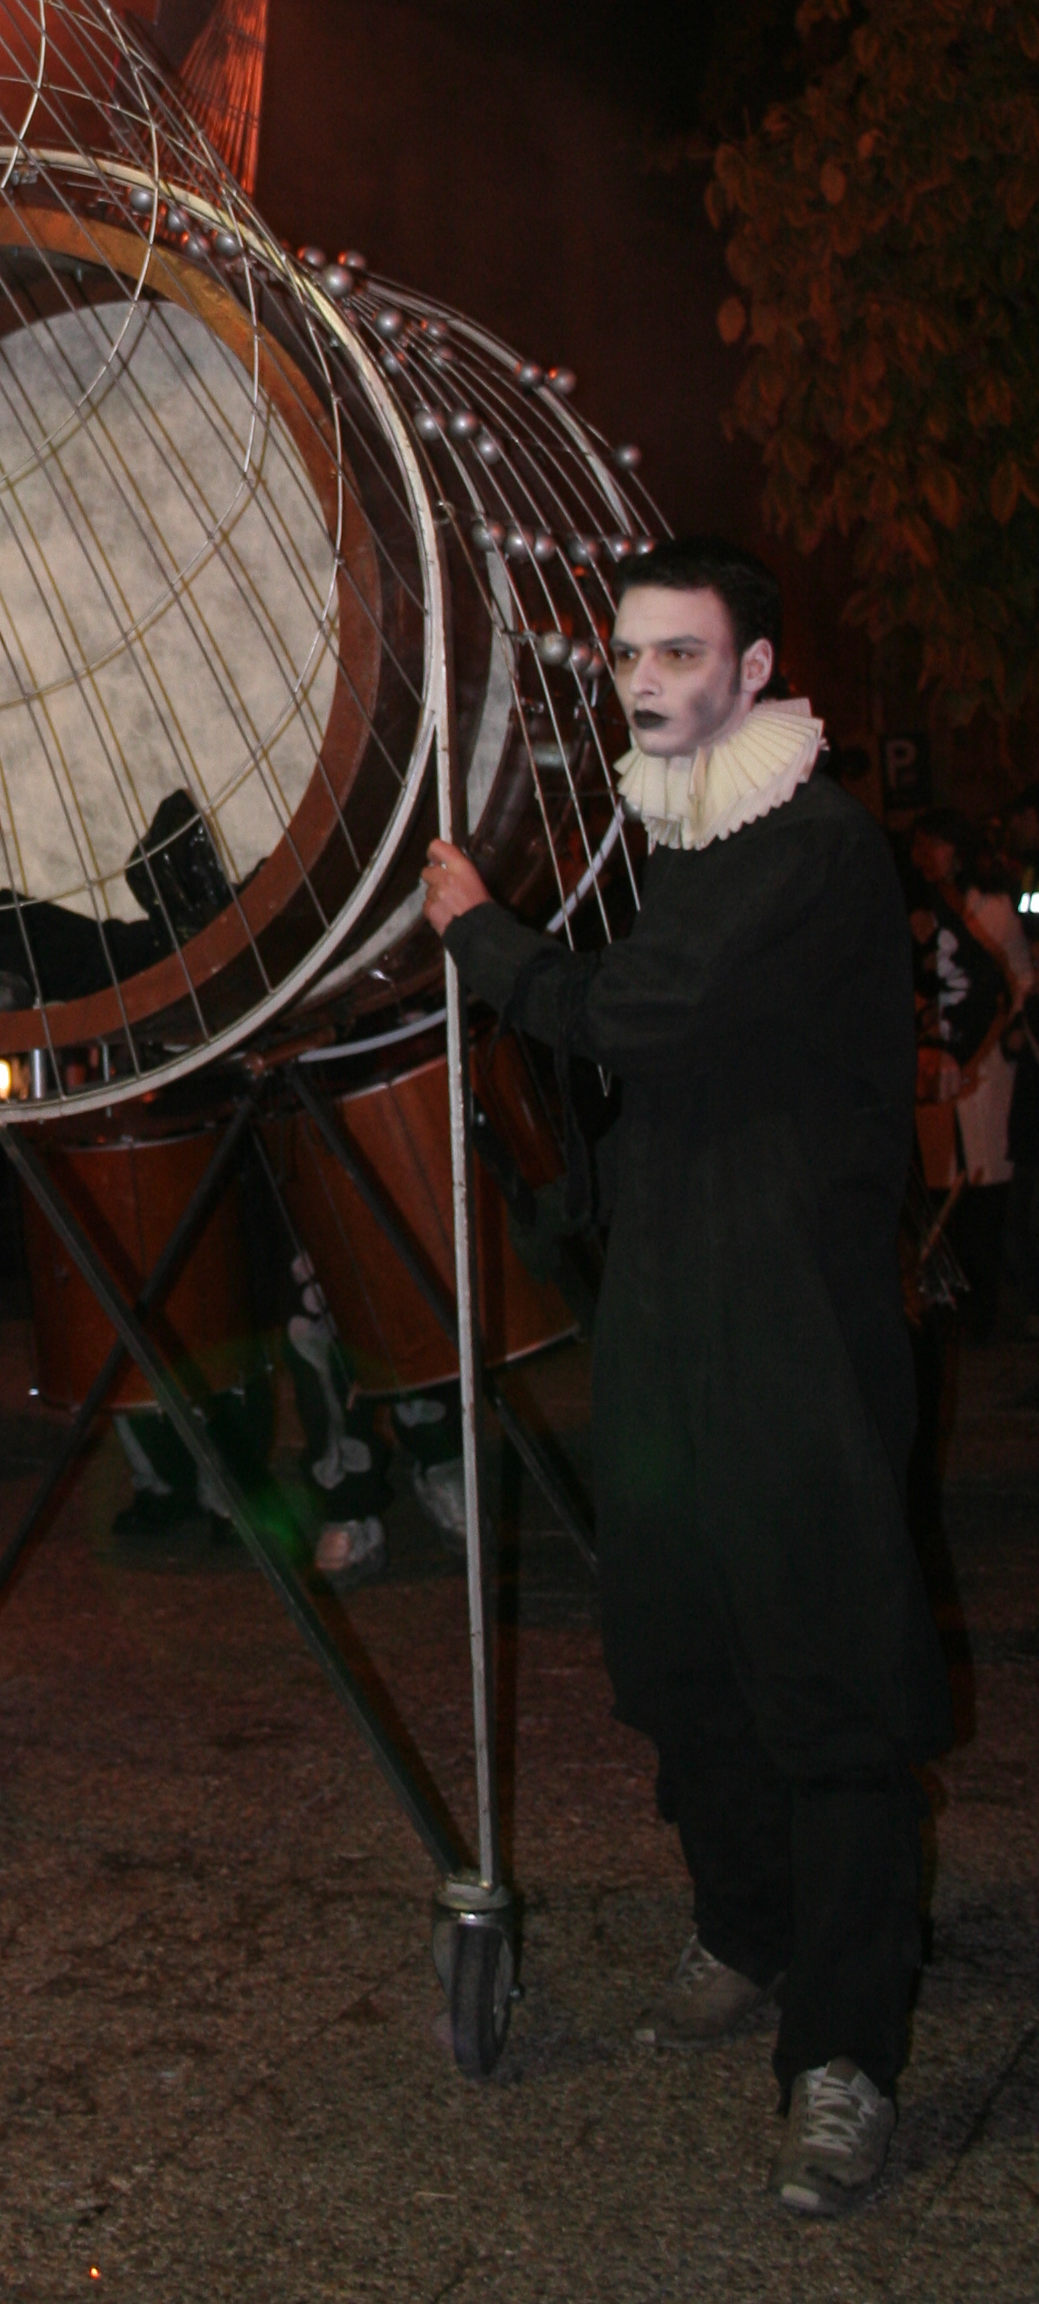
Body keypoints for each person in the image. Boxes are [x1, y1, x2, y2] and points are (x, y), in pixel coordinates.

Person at [422, 534, 946, 2220]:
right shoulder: (692, 834)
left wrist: (482, 937)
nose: (642, 681)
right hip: (666, 1315)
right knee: (676, 1653)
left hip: (793, 1337)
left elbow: (642, 1013)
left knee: (828, 1684)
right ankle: (748, 1925)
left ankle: (841, 2054)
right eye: (628, 653)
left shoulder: (809, 843)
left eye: (679, 652)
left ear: (755, 669)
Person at [906, 808, 1031, 1343]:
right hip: (941, 1068)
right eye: (919, 846)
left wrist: (991, 1042)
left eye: (934, 844)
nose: (925, 856)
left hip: (987, 1064)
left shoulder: (991, 907)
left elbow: (1012, 982)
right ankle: (957, 1308)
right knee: (948, 1196)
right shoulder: (922, 913)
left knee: (986, 1193)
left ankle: (990, 1309)